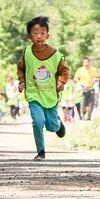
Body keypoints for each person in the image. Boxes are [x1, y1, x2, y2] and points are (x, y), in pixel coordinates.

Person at [17, 16, 71, 160]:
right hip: (34, 94)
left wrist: (62, 82)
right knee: (38, 121)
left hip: (50, 94)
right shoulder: (27, 53)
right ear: (29, 36)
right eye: (35, 33)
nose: (39, 36)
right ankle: (41, 152)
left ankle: (58, 124)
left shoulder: (55, 54)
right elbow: (21, 69)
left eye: (42, 33)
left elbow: (65, 70)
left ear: (48, 35)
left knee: (51, 126)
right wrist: (21, 82)